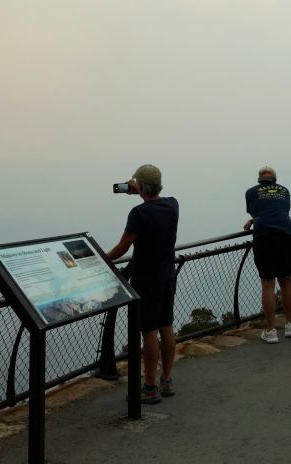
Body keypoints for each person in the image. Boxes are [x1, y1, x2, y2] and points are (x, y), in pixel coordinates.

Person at [106, 164, 178, 404]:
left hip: (146, 279)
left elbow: (121, 248)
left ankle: (149, 386)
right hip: (168, 275)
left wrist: (100, 259)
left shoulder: (138, 213)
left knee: (149, 331)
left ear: (141, 187)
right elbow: (155, 201)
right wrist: (141, 190)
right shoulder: (172, 205)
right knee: (166, 326)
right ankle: (166, 380)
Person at [243, 166, 291, 343]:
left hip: (264, 236)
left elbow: (257, 212)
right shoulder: (283, 191)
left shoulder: (251, 192)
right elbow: (280, 212)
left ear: (259, 179)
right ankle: (290, 325)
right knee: (286, 281)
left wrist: (253, 220)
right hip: (285, 234)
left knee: (268, 284)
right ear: (275, 179)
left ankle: (271, 330)